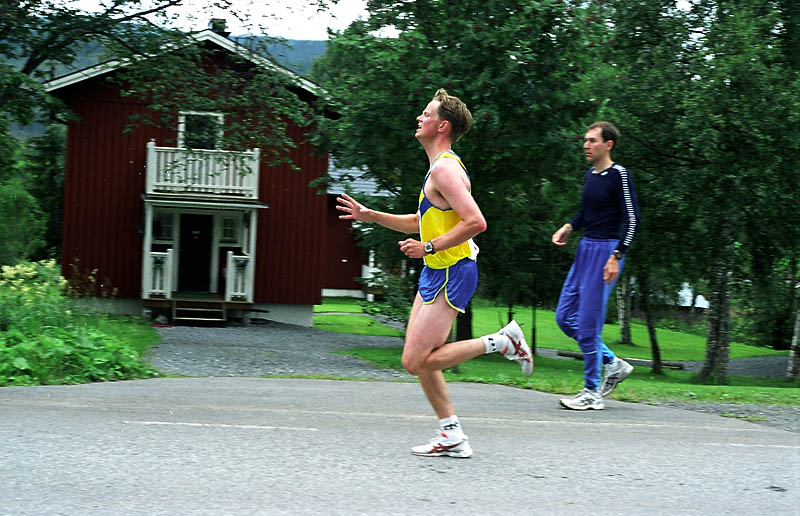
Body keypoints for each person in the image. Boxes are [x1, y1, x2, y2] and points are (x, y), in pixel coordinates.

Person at [337, 88, 533, 458]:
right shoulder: (438, 169)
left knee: (414, 361)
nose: (419, 118)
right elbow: (420, 221)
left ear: (442, 126)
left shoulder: (445, 170)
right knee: (423, 358)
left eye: (426, 114)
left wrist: (428, 248)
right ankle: (452, 434)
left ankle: (503, 342)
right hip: (436, 271)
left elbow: (476, 222)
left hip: (454, 269)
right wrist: (370, 215)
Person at [552, 121, 640, 411]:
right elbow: (587, 213)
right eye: (586, 140)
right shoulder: (590, 176)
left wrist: (617, 255)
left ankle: (592, 392)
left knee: (588, 324)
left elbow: (632, 219)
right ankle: (612, 362)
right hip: (585, 249)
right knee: (565, 317)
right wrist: (569, 226)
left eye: (592, 140)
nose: (586, 145)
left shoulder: (619, 175)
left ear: (608, 145)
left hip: (606, 252)